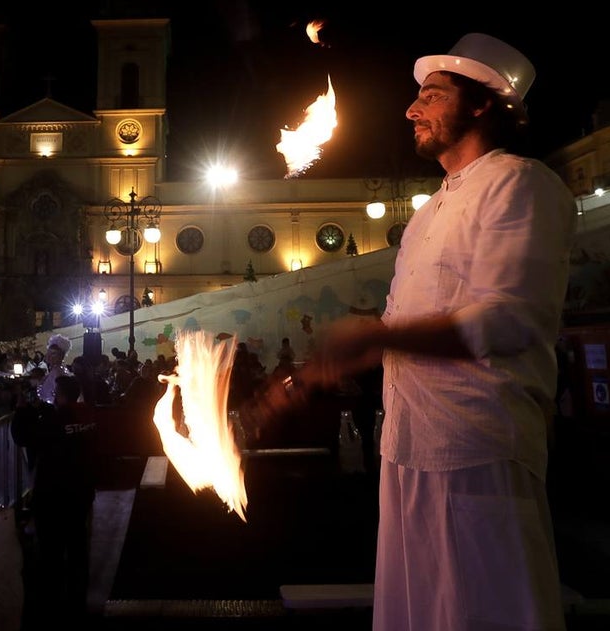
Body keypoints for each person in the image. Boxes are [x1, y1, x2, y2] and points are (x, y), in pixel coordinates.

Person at [246, 33, 576, 630]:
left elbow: (509, 320)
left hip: (478, 451)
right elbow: (401, 328)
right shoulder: (427, 213)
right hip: (406, 451)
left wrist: (375, 337)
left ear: (481, 105)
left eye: (431, 95)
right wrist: (315, 373)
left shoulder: (522, 185)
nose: (410, 109)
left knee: (488, 615)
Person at [10, 374, 99, 622]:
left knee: (51, 552)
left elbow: (23, 437)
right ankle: (77, 601)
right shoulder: (87, 415)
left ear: (59, 395)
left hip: (53, 496)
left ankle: (50, 608)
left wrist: (22, 410)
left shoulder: (55, 420)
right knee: (78, 546)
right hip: (80, 492)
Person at [35, 334, 72, 404]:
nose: (49, 356)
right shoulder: (54, 371)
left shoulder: (59, 372)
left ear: (61, 356)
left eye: (54, 353)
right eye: (49, 353)